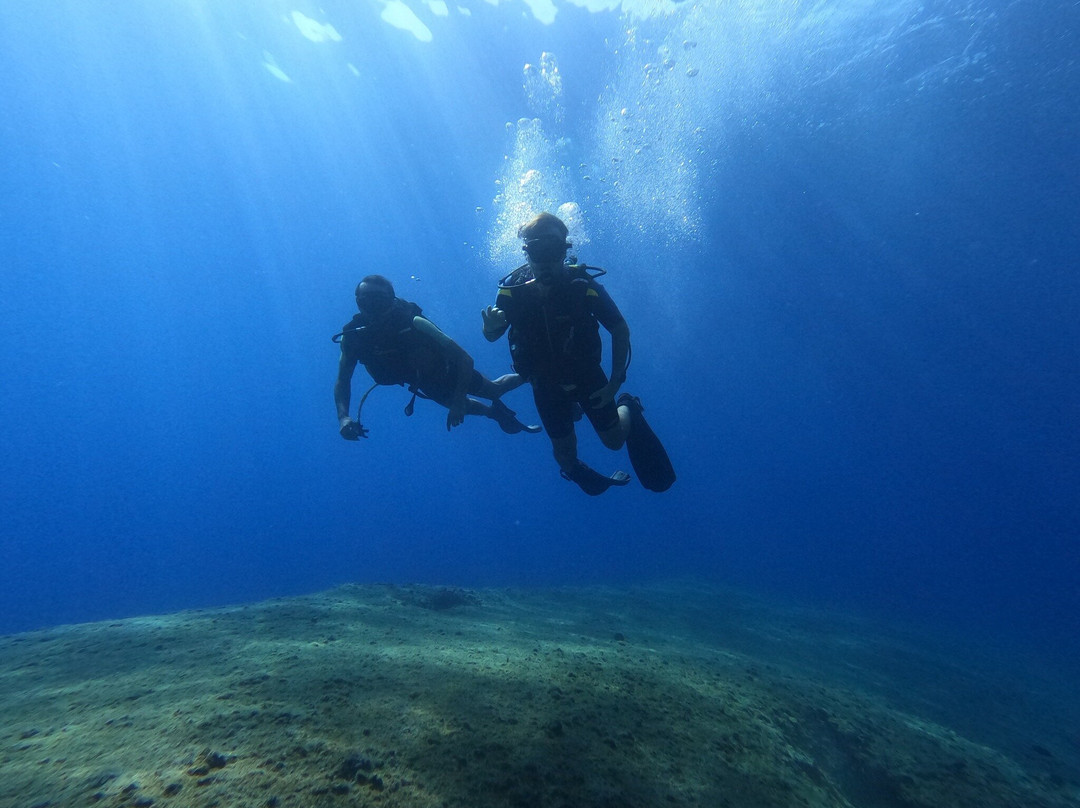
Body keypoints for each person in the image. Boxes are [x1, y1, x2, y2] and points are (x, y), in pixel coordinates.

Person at [481, 212, 675, 494]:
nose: (546, 260)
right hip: (544, 383)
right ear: (527, 252)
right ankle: (573, 470)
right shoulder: (511, 292)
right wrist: (489, 328)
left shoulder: (582, 285)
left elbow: (619, 328)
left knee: (614, 441)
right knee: (564, 454)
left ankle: (628, 407)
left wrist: (615, 383)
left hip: (587, 376)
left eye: (554, 250)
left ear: (565, 251)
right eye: (538, 250)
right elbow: (493, 334)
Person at [334, 274, 540, 439]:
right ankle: (494, 413)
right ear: (358, 303)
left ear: (391, 301)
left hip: (450, 370)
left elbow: (465, 359)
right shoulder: (353, 338)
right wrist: (343, 417)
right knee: (461, 406)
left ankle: (531, 372)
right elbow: (343, 379)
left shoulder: (413, 322)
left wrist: (458, 400)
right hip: (421, 381)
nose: (373, 311)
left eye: (378, 302)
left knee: (494, 390)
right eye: (365, 303)